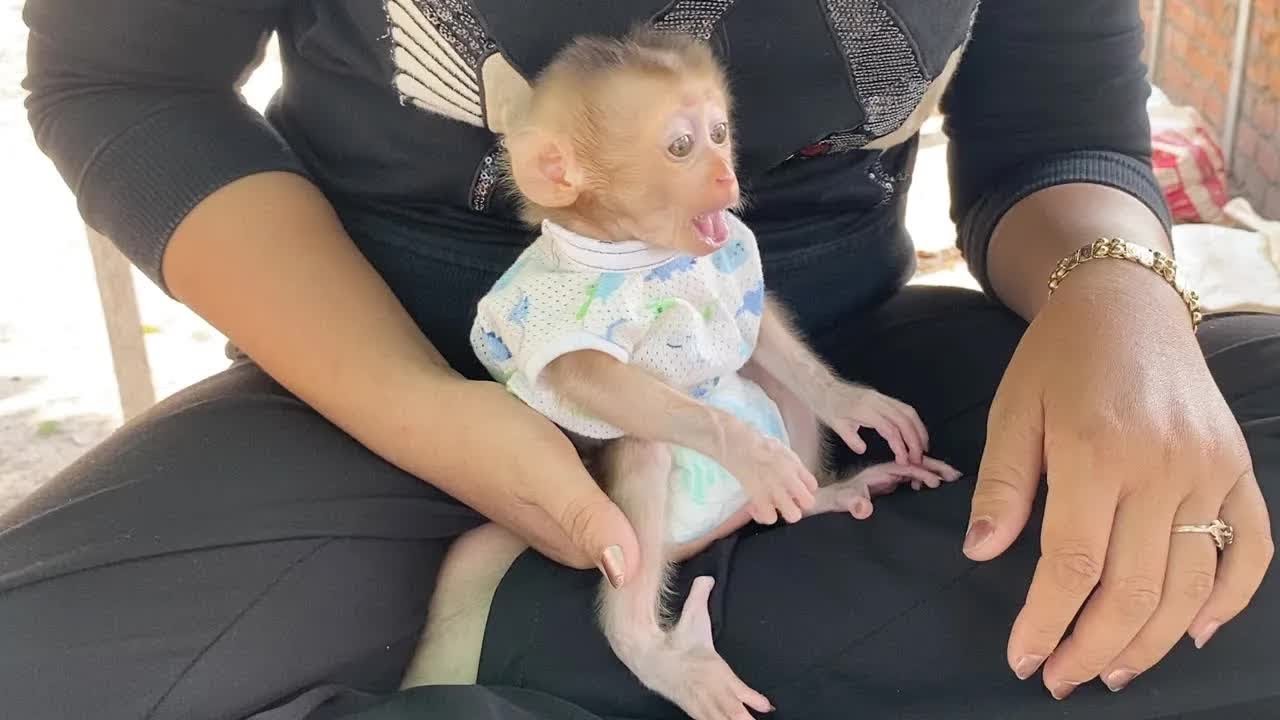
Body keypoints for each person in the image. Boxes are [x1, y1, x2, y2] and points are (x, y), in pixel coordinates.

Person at [3, 0, 1275, 718]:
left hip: (805, 361)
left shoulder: (730, 236)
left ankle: (534, 652)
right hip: (399, 380)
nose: (730, 182)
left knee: (1216, 520)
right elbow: (121, 82)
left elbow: (1058, 134)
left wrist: (1117, 290)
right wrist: (419, 411)